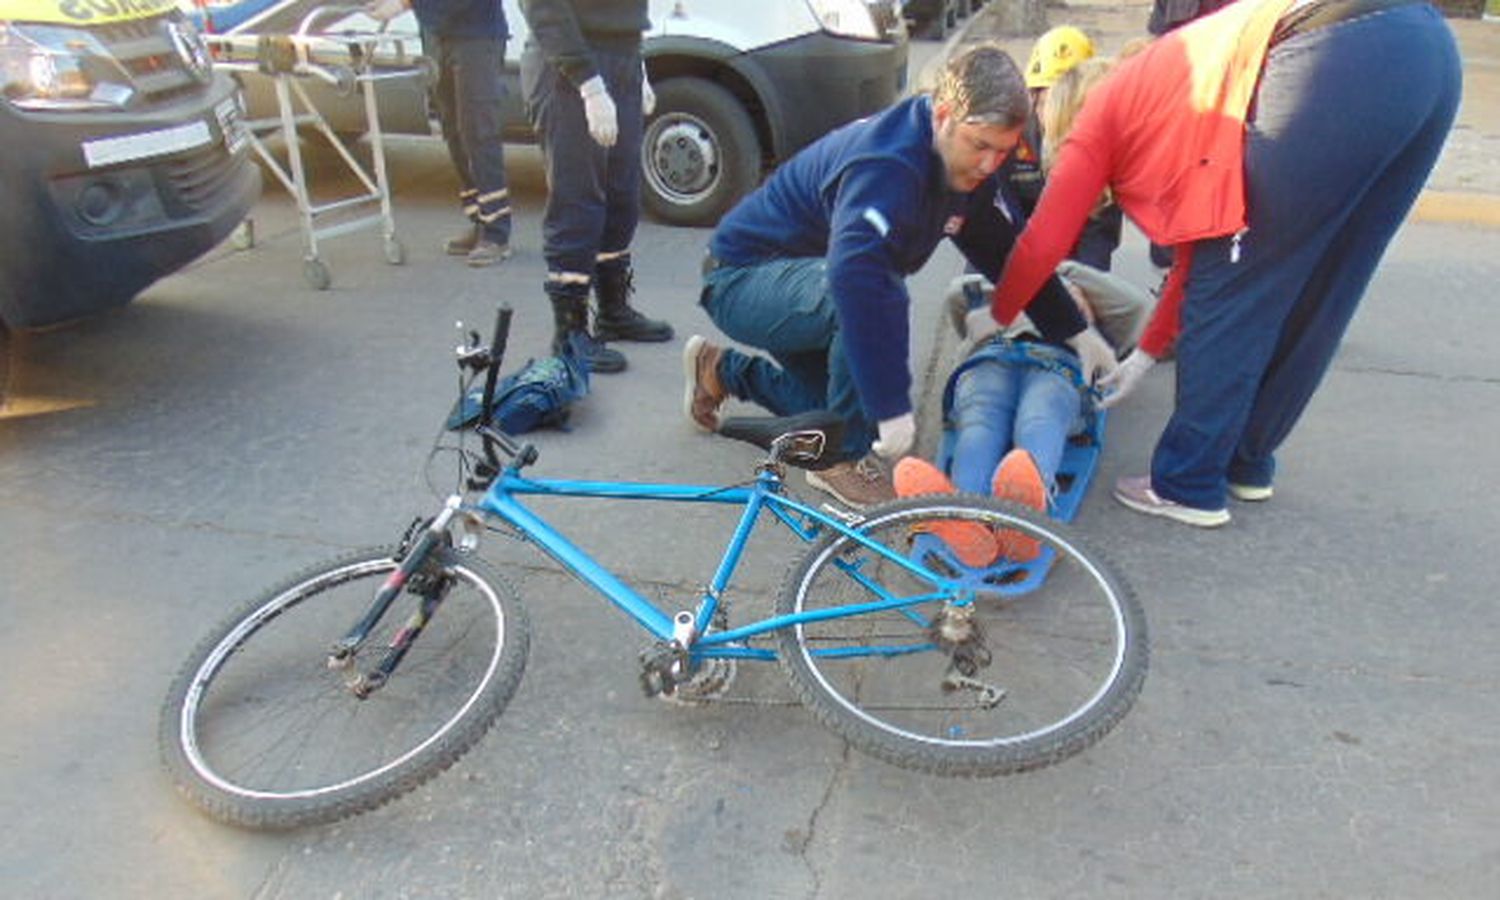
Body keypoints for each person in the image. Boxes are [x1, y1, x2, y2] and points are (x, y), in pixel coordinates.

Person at [975, 0, 1461, 527]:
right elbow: (1197, 251)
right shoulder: (1168, 100)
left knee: (1230, 287)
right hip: (1426, 47)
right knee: (1327, 281)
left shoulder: (1100, 116)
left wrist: (999, 315)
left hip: (1338, 47)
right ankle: (1246, 463)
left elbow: (1043, 242)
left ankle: (1188, 482)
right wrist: (1146, 352)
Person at [681, 43, 1116, 509]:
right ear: (944, 114)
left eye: (1003, 151)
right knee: (867, 298)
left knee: (838, 412)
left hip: (800, 289)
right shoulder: (889, 164)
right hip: (741, 279)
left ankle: (720, 370)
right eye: (981, 145)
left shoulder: (966, 169)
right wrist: (892, 406)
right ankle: (839, 463)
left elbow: (1012, 259)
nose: (991, 163)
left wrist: (1075, 331)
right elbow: (857, 278)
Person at [896, 256, 1151, 566]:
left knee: (1040, 414)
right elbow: (957, 294)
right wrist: (1025, 280)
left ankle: (1020, 512)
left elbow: (1137, 308)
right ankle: (968, 524)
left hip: (1060, 362)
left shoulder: (1089, 302)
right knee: (981, 419)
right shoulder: (986, 289)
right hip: (992, 355)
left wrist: (1063, 276)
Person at [519, 0, 673, 374]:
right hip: (569, 67)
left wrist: (636, 64)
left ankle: (613, 310)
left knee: (622, 197)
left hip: (621, 61)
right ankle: (569, 333)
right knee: (577, 199)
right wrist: (588, 82)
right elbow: (543, 7)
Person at [366, 0, 513, 267]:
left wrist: (405, 2)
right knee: (453, 131)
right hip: (438, 37)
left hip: (477, 36)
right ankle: (479, 220)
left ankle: (496, 233)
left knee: (478, 133)